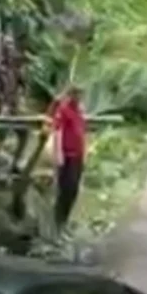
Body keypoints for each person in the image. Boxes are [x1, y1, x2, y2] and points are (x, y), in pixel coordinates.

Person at [0, 29, 29, 173]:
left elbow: (23, 85)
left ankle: (14, 164)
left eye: (12, 45)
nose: (11, 48)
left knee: (24, 133)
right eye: (7, 45)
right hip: (1, 106)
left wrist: (20, 100)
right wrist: (3, 105)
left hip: (13, 106)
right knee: (0, 136)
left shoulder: (14, 67)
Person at [47, 84, 86, 231]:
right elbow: (58, 131)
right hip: (67, 155)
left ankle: (65, 220)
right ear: (71, 95)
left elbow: (82, 133)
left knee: (74, 189)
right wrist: (58, 154)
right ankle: (58, 220)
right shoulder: (64, 110)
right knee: (65, 189)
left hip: (78, 155)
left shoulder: (79, 111)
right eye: (76, 95)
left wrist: (85, 153)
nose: (79, 98)